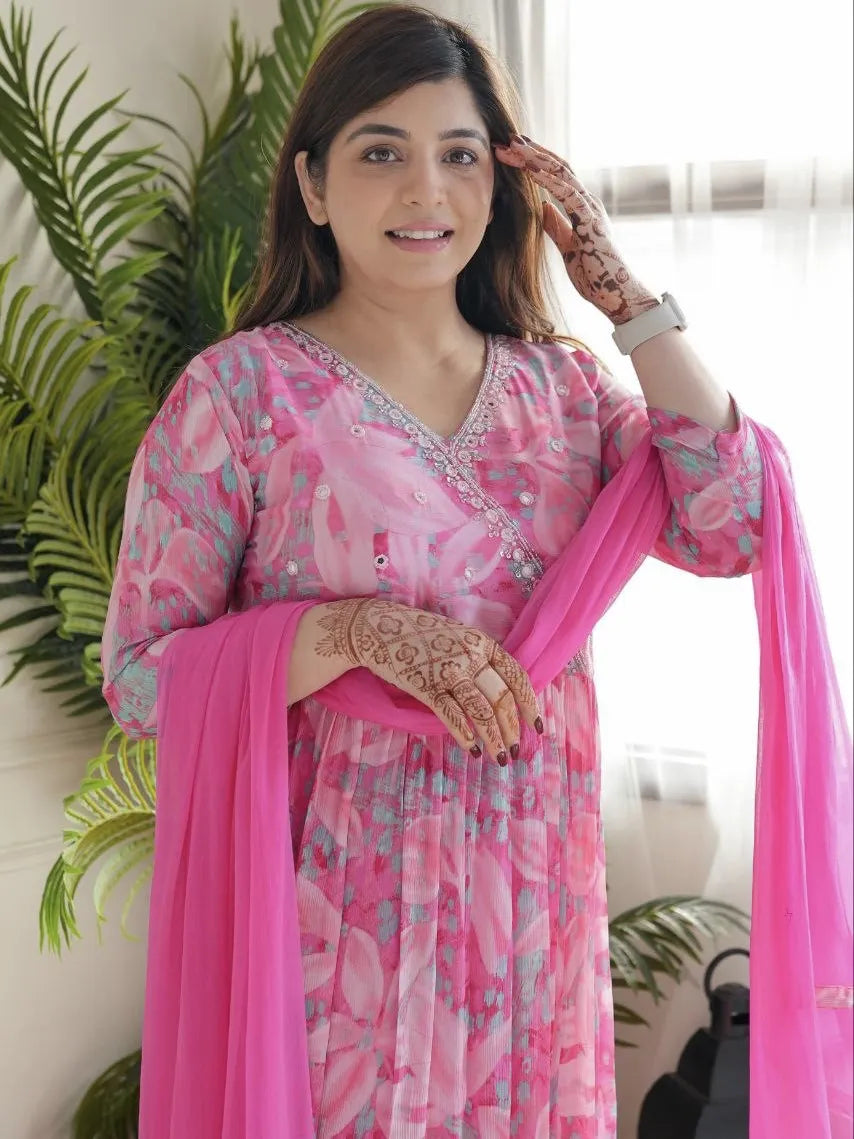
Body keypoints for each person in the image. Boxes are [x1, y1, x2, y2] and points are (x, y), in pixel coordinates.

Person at [101, 5, 765, 1135]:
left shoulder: (561, 398)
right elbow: (143, 678)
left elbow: (728, 523)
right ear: (311, 184)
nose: (427, 192)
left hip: (529, 928)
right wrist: (350, 632)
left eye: (461, 156)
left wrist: (623, 299)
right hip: (332, 931)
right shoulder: (238, 398)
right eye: (380, 153)